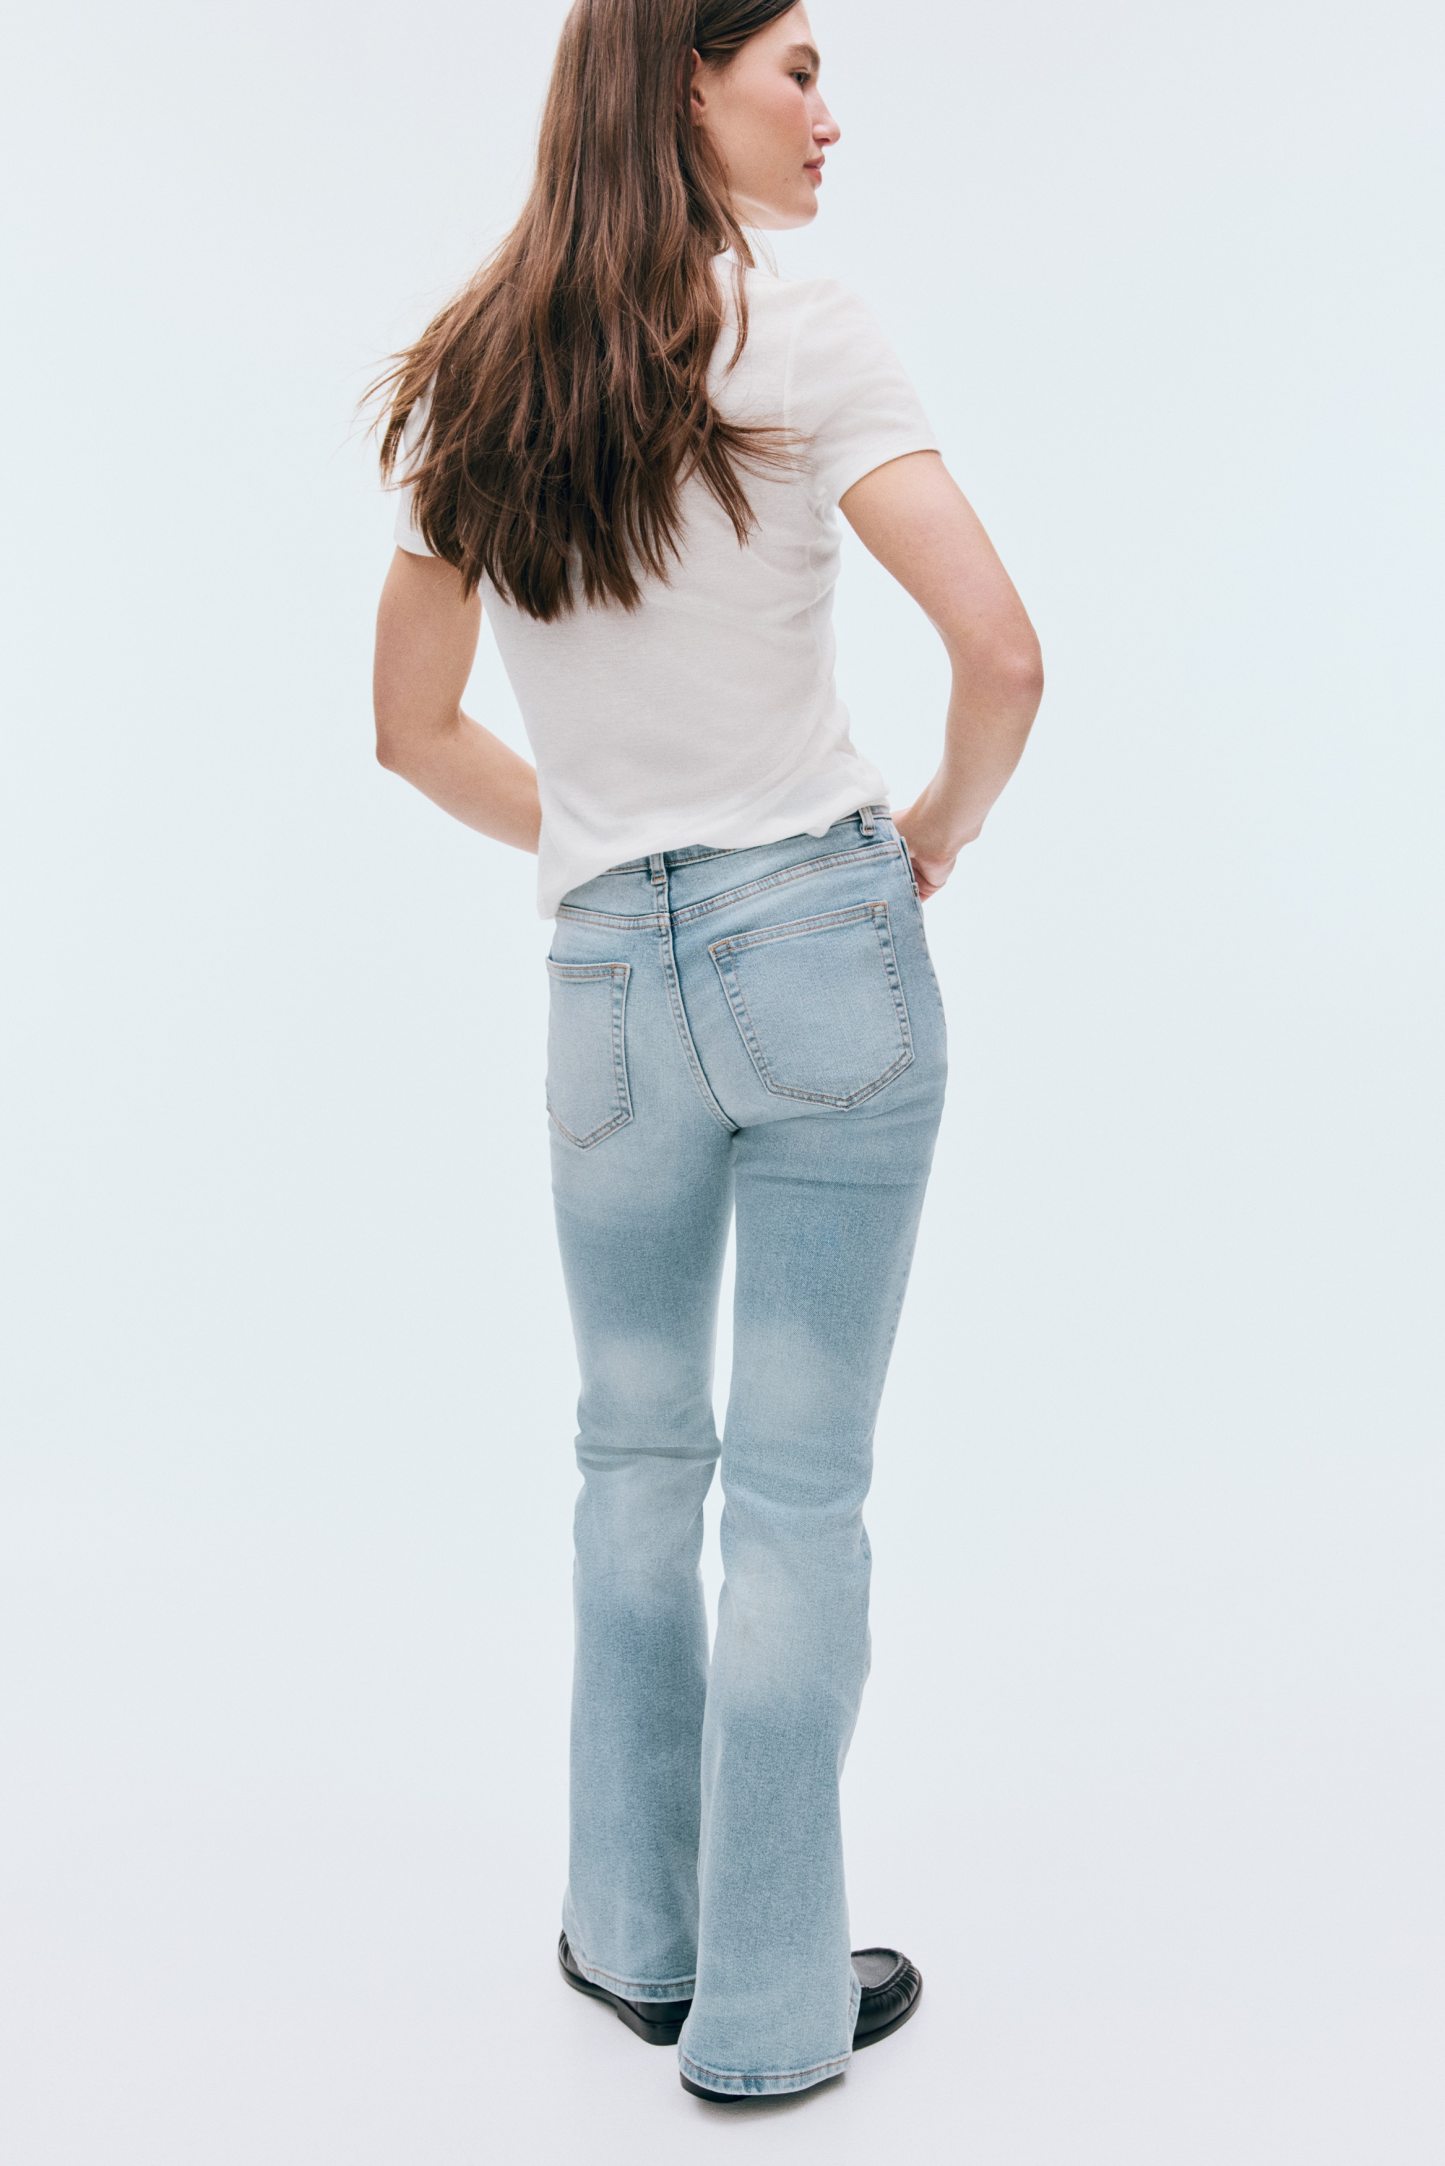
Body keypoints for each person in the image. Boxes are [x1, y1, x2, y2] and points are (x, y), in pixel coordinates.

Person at [366, 0, 1042, 2105]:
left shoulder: (479, 366)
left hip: (603, 984)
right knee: (798, 1496)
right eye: (797, 69)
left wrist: (596, 844)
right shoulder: (806, 326)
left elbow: (409, 730)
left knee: (634, 1460)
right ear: (685, 77)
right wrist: (933, 834)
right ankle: (761, 2011)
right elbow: (1004, 655)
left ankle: (633, 1935)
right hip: (821, 945)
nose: (832, 113)